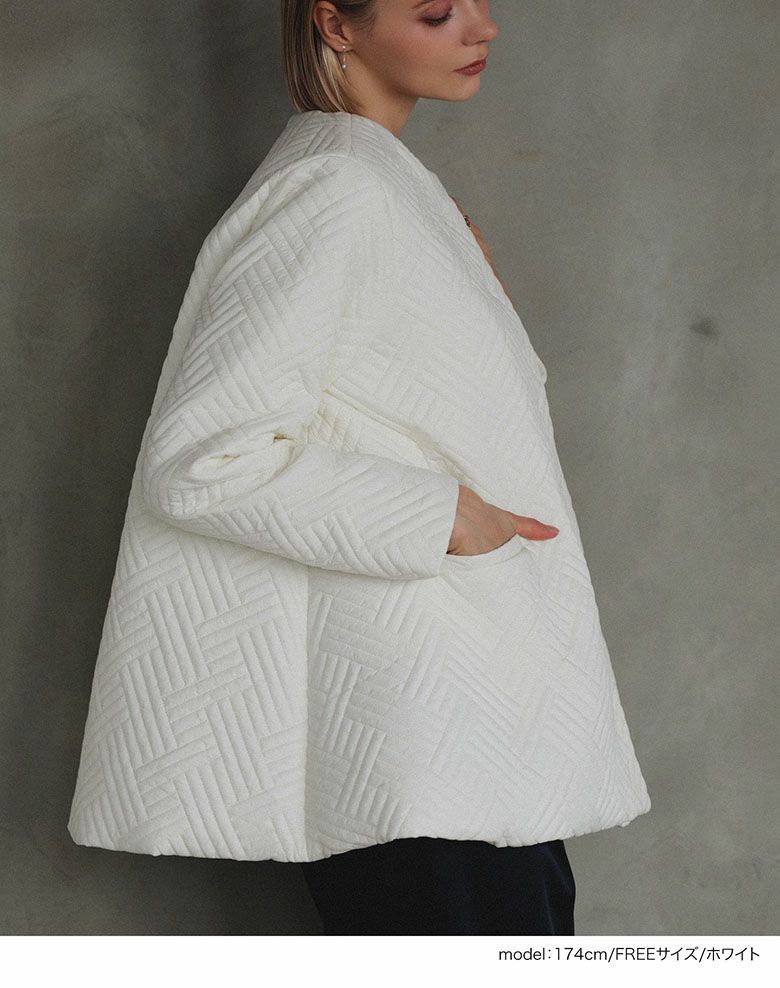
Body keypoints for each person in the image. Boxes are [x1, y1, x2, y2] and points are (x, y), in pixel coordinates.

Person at [67, 0, 651, 936]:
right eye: (436, 11)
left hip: (457, 722)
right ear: (337, 26)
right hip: (417, 724)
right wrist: (447, 518)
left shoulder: (385, 183)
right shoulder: (333, 186)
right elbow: (205, 458)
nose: (482, 28)